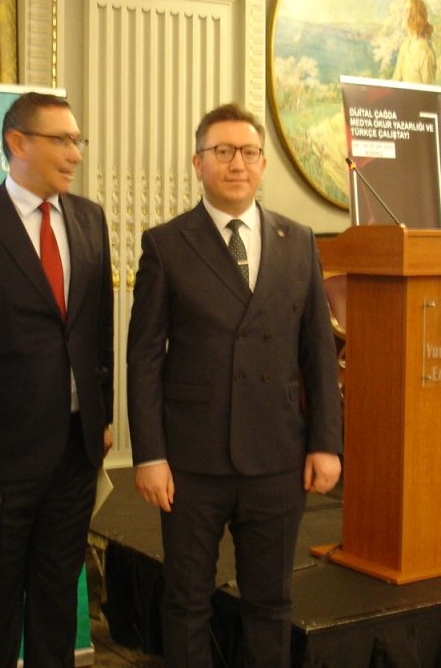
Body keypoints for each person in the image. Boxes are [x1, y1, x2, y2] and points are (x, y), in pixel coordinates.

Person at [127, 103, 342, 668]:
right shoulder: (167, 244)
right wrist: (149, 454)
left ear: (264, 163)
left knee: (270, 603)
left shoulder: (298, 240)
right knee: (187, 602)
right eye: (222, 152)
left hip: (277, 458)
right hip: (191, 461)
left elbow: (319, 351)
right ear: (198, 163)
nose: (237, 164)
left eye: (248, 152)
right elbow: (143, 358)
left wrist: (326, 443)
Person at [0, 92, 115, 666]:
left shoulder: (89, 218)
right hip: (0, 459)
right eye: (62, 140)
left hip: (75, 452)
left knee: (57, 602)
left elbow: (98, 328)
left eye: (77, 141)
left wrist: (104, 414)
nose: (75, 154)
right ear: (17, 142)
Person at [392, 0, 437, 85]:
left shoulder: (425, 53)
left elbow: (428, 91)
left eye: (406, 11)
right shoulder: (405, 44)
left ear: (415, 17)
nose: (402, 15)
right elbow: (395, 80)